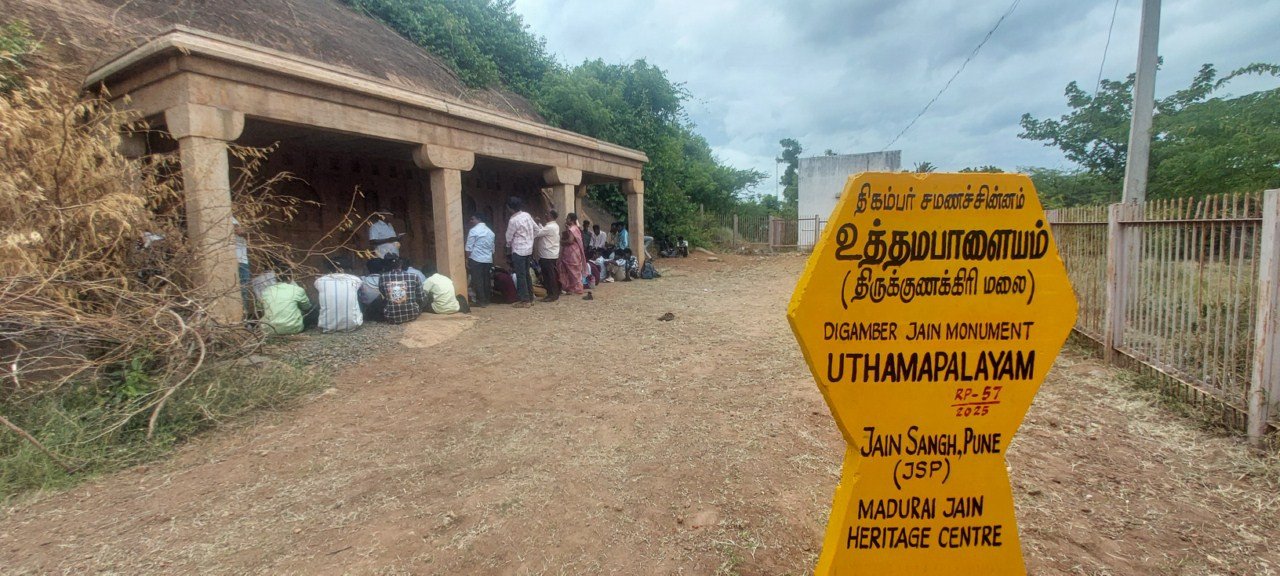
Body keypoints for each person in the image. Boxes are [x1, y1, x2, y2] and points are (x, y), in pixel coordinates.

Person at [505, 196, 540, 308]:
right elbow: (537, 230)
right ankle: (530, 297)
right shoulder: (527, 215)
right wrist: (530, 239)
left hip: (519, 250)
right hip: (528, 250)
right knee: (526, 274)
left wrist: (508, 246)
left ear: (510, 208)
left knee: (520, 275)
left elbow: (509, 237)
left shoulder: (513, 220)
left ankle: (524, 300)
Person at [314, 258, 364, 333]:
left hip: (326, 326)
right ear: (347, 268)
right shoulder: (355, 280)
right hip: (352, 325)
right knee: (356, 295)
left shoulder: (319, 281)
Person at [257, 270, 312, 335]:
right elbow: (307, 307)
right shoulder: (297, 290)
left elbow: (259, 307)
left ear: (275, 279)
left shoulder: (266, 291)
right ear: (289, 278)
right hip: (293, 328)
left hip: (269, 330)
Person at [377, 256, 423, 324]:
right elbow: (421, 297)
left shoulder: (383, 277)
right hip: (412, 314)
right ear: (401, 265)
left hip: (391, 316)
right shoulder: (414, 276)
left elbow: (383, 292)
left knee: (379, 298)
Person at [465, 213, 495, 308]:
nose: (471, 221)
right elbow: (492, 248)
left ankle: (480, 301)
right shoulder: (491, 232)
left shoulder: (473, 231)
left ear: (479, 219)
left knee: (477, 280)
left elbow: (469, 248)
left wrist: (467, 259)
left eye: (472, 219)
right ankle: (487, 299)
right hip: (488, 259)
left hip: (476, 258)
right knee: (486, 279)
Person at [534, 209, 562, 302]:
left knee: (549, 276)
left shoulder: (550, 227)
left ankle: (552, 294)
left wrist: (536, 223)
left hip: (547, 255)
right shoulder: (554, 226)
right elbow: (543, 230)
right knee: (550, 275)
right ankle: (553, 293)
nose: (545, 215)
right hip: (550, 254)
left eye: (547, 214)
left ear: (551, 216)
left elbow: (538, 233)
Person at [558, 212, 586, 296]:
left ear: (572, 220)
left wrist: (561, 242)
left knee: (572, 270)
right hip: (574, 252)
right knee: (574, 270)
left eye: (568, 218)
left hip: (572, 252)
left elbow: (570, 241)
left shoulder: (572, 229)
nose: (566, 220)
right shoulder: (575, 228)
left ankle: (575, 288)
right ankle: (574, 288)